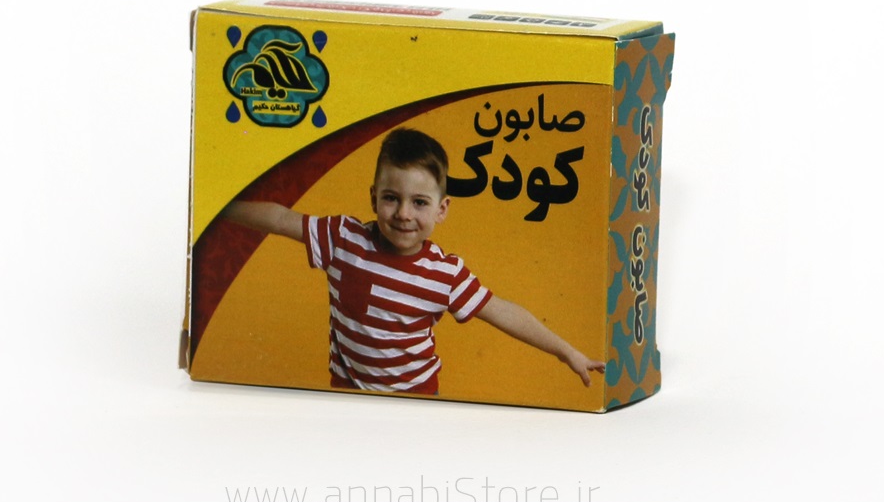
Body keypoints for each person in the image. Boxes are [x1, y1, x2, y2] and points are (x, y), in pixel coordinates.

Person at [221, 127, 606, 396]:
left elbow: (503, 311)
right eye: (391, 198)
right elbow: (280, 219)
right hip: (348, 392)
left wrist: (566, 351)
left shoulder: (445, 274)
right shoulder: (342, 238)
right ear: (373, 198)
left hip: (415, 397)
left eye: (419, 202)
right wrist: (217, 210)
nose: (403, 213)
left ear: (442, 209)